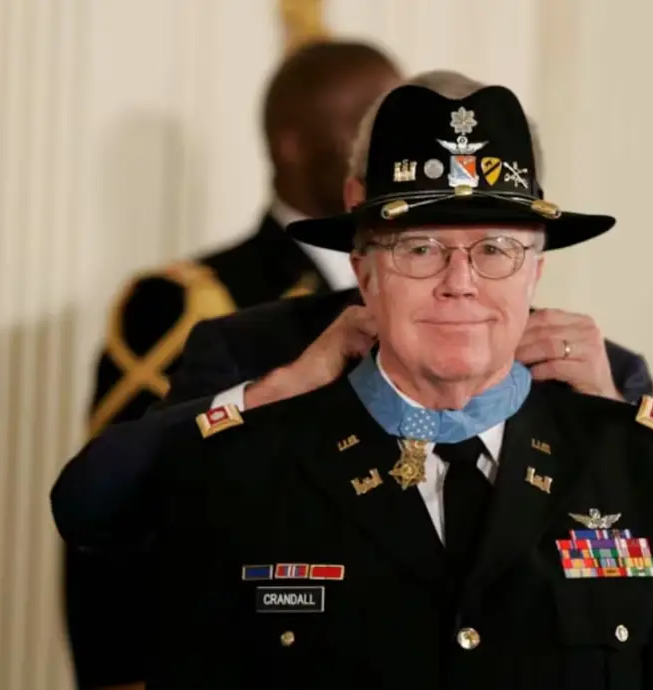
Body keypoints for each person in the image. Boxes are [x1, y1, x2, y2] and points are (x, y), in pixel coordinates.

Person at [53, 75, 653, 688]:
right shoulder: (250, 457)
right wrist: (274, 392)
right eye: (420, 249)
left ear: (537, 271)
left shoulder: (633, 445)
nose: (459, 283)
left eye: (496, 250)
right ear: (362, 266)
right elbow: (98, 520)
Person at [65, 40, 401, 689]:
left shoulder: (449, 306)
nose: (385, 144)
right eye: (364, 121)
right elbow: (113, 527)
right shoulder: (183, 301)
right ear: (292, 145)